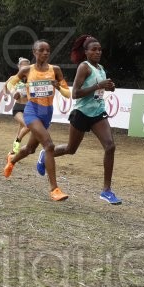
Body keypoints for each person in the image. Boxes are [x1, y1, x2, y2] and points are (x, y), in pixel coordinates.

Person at [46, 35, 122, 205]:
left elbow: (103, 88)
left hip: (98, 113)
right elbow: (75, 94)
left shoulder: (101, 68)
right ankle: (46, 154)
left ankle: (106, 191)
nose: (98, 52)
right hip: (81, 113)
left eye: (100, 49)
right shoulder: (84, 67)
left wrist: (111, 87)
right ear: (86, 52)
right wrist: (98, 85)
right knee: (71, 149)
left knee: (110, 146)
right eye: (94, 49)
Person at [3, 40, 71, 201]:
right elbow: (10, 83)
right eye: (42, 50)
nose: (46, 53)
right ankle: (55, 189)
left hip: (46, 113)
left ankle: (11, 160)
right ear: (35, 52)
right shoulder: (27, 70)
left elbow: (68, 93)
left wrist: (58, 87)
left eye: (48, 50)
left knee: (30, 149)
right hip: (32, 111)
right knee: (49, 145)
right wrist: (14, 93)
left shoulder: (55, 70)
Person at [5, 58, 32, 153]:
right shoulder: (14, 78)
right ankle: (17, 143)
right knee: (28, 126)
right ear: (19, 66)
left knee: (21, 129)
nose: (25, 67)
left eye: (27, 66)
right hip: (18, 108)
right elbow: (6, 85)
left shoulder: (31, 78)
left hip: (29, 108)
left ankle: (13, 150)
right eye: (23, 65)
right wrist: (6, 95)